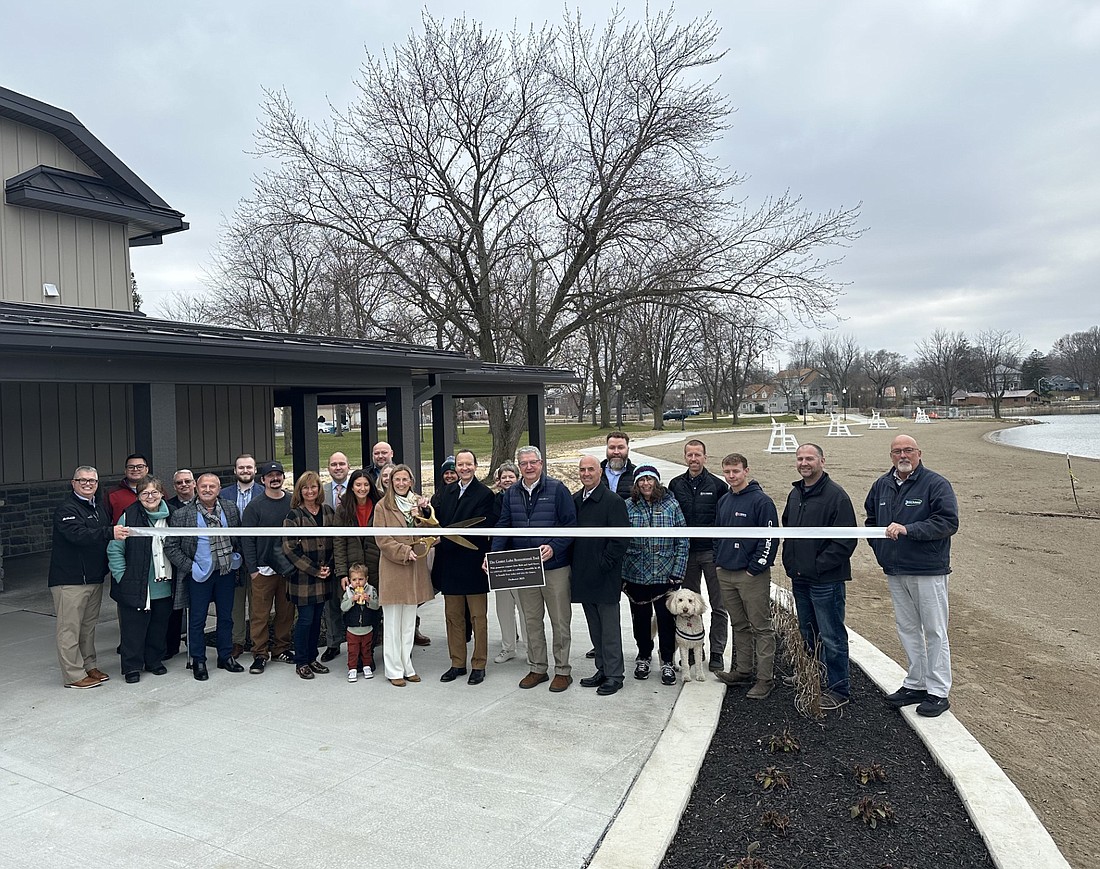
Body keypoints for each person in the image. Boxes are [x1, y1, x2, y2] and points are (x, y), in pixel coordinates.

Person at [865, 434, 959, 718]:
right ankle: (916, 683)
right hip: (895, 569)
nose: (902, 456)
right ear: (891, 456)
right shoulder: (881, 486)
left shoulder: (935, 484)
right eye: (897, 452)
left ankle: (938, 691)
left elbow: (947, 522)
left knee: (934, 630)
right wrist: (881, 550)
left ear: (919, 453)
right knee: (907, 628)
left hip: (927, 570)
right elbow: (871, 521)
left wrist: (909, 530)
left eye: (908, 450)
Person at [491, 446, 577, 692]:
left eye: (532, 462)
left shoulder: (557, 489)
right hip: (526, 566)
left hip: (554, 567)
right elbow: (504, 526)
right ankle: (538, 667)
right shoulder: (512, 494)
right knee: (531, 621)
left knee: (560, 621)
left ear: (541, 463)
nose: (528, 467)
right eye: (524, 463)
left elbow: (570, 526)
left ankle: (562, 670)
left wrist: (554, 547)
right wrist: (494, 555)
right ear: (519, 466)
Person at [781, 443, 858, 711]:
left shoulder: (837, 497)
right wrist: (790, 562)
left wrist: (817, 565)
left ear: (822, 461)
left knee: (832, 635)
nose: (804, 463)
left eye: (810, 458)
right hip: (800, 578)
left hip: (826, 580)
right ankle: (809, 675)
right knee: (808, 632)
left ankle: (839, 689)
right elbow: (788, 528)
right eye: (800, 458)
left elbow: (845, 542)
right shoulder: (795, 494)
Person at [48, 465, 129, 688]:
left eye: (92, 481)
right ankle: (73, 676)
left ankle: (89, 665)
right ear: (73, 483)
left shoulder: (97, 507)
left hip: (93, 578)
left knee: (87, 627)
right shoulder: (67, 509)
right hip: (70, 581)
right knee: (69, 629)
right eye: (82, 480)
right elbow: (78, 535)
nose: (87, 484)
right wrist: (110, 531)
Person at [164, 472, 245, 681]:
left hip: (226, 572)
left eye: (212, 486)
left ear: (219, 489)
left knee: (226, 617)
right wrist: (191, 567)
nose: (207, 490)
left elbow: (238, 536)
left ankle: (225, 656)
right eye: (203, 486)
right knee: (197, 618)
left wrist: (236, 556)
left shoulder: (229, 508)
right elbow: (171, 547)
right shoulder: (182, 515)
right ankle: (198, 659)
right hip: (199, 574)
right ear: (196, 489)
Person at [713, 453, 778, 699]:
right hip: (726, 572)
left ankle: (764, 678)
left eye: (736, 471)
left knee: (761, 627)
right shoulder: (724, 500)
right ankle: (743, 671)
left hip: (751, 575)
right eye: (727, 472)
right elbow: (718, 533)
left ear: (746, 471)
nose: (731, 476)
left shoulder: (762, 502)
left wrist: (755, 567)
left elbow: (769, 539)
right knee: (739, 624)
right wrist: (719, 562)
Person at [432, 449, 498, 686]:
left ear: (475, 466)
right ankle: (457, 663)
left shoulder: (485, 494)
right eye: (460, 464)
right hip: (450, 563)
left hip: (474, 563)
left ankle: (478, 664)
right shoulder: (446, 492)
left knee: (478, 617)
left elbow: (479, 524)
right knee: (453, 617)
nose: (464, 468)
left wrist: (445, 535)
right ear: (455, 467)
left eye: (468, 464)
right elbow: (437, 521)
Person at [622, 465, 689, 686]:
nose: (646, 484)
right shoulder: (629, 507)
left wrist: (677, 572)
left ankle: (667, 660)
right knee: (640, 620)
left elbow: (682, 540)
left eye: (650, 480)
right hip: (636, 574)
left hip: (664, 575)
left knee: (666, 620)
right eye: (641, 480)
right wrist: (622, 574)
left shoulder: (671, 505)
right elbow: (620, 540)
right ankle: (643, 655)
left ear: (657, 482)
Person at [668, 439, 728, 672]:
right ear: (685, 457)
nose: (694, 459)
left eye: (698, 455)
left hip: (712, 553)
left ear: (705, 457)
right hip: (687, 554)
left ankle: (716, 652)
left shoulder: (717, 485)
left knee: (718, 604)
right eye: (690, 455)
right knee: (687, 607)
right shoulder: (676, 485)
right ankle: (693, 649)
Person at [107, 475, 173, 683]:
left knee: (158, 625)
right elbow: (115, 550)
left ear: (162, 493)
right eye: (145, 493)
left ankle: (154, 661)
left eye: (154, 492)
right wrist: (122, 576)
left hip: (163, 583)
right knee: (133, 628)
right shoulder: (128, 516)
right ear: (138, 496)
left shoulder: (173, 516)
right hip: (136, 582)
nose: (150, 496)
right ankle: (132, 667)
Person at [573, 456, 630, 696]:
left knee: (609, 629)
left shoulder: (613, 501)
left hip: (605, 575)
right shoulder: (575, 499)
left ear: (600, 472)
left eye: (591, 469)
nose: (586, 473)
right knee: (595, 628)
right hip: (583, 574)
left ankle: (615, 675)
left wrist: (604, 563)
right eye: (582, 470)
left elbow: (620, 539)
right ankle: (602, 669)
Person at [374, 464, 436, 686]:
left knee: (409, 623)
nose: (401, 483)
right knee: (392, 623)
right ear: (390, 482)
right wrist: (403, 551)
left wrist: (425, 513)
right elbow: (382, 539)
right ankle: (393, 670)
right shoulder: (382, 506)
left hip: (415, 568)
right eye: (396, 479)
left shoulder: (418, 503)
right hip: (394, 567)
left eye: (405, 479)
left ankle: (407, 665)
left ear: (411, 481)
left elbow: (431, 530)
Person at [280, 470, 337, 680]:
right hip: (303, 579)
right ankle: (301, 661)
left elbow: (336, 542)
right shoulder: (293, 515)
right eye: (306, 487)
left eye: (314, 487)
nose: (310, 491)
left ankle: (313, 657)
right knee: (305, 620)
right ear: (300, 491)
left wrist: (328, 567)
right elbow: (289, 548)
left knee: (316, 620)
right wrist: (314, 569)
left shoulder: (329, 511)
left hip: (325, 577)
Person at [240, 461, 296, 674]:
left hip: (288, 569)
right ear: (262, 480)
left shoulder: (292, 502)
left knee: (286, 612)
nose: (275, 478)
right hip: (262, 570)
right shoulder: (254, 506)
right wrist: (253, 569)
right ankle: (260, 653)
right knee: (260, 614)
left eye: (278, 475)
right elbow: (247, 540)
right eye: (270, 475)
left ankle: (281, 648)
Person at [333, 468, 383, 664]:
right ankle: (355, 657)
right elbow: (338, 540)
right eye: (358, 484)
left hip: (376, 565)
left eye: (365, 484)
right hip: (352, 568)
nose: (362, 488)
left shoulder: (379, 505)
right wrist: (342, 572)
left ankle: (369, 655)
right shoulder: (343, 508)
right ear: (351, 487)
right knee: (352, 610)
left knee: (374, 609)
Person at [223, 454, 263, 660]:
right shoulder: (224, 494)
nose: (245, 471)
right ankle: (237, 641)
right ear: (235, 471)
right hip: (233, 557)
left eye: (249, 467)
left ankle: (258, 644)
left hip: (257, 557)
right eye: (241, 468)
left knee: (258, 604)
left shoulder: (264, 493)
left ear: (255, 470)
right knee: (235, 604)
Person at [320, 450, 354, 662]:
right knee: (330, 603)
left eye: (342, 463)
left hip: (351, 554)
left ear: (348, 466)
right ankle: (333, 643)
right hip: (325, 556)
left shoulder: (358, 488)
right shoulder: (321, 491)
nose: (338, 467)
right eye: (334, 464)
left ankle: (356, 643)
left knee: (352, 601)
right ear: (328, 468)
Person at [491, 461, 524, 663]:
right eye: (504, 477)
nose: (508, 480)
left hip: (522, 557)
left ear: (517, 478)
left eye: (511, 476)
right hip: (501, 557)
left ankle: (531, 648)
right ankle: (508, 647)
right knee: (504, 607)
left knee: (524, 606)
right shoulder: (494, 501)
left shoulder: (524, 497)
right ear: (499, 480)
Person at [164, 468, 196, 659]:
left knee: (196, 608)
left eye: (187, 481)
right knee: (174, 607)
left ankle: (194, 645)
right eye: (179, 483)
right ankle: (171, 646)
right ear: (174, 486)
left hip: (201, 563)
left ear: (194, 483)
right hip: (176, 562)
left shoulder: (204, 503)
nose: (183, 485)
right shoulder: (168, 507)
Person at [340, 563, 380, 682]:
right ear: (350, 580)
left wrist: (369, 600)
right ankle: (352, 668)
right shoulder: (348, 592)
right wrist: (352, 600)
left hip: (367, 628)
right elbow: (343, 607)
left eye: (361, 579)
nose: (358, 582)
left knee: (366, 649)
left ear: (366, 579)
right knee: (353, 650)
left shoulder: (371, 590)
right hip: (352, 629)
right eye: (354, 579)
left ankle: (366, 666)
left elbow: (377, 606)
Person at [109, 453, 150, 522]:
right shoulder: (112, 494)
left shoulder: (157, 491)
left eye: (140, 466)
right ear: (125, 470)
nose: (135, 469)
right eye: (131, 467)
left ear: (147, 469)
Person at [600, 431, 637, 498]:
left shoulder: (636, 474)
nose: (616, 452)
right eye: (612, 448)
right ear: (606, 449)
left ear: (628, 450)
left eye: (620, 447)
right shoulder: (596, 472)